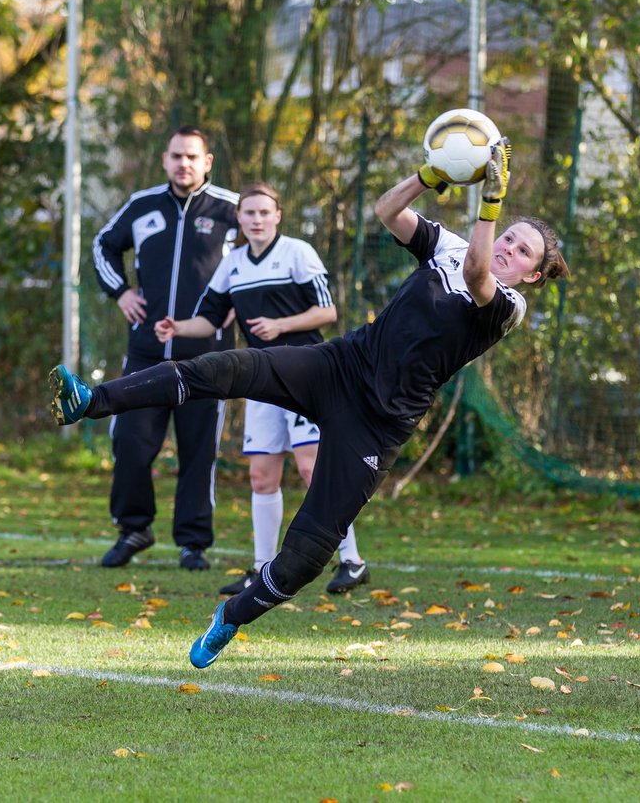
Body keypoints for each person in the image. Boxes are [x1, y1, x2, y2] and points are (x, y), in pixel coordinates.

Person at [50, 138, 569, 667]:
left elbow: (479, 274)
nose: (508, 247)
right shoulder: (451, 246)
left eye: (522, 250)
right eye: (508, 236)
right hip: (338, 366)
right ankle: (89, 400)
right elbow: (387, 211)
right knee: (225, 367)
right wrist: (430, 175)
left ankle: (231, 617)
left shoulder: (509, 305)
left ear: (531, 274)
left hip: (377, 425)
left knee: (308, 554)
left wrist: (490, 204)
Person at [152, 182, 372, 595]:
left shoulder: (298, 252)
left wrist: (281, 326)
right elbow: (211, 319)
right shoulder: (233, 262)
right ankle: (260, 570)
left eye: (263, 213)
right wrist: (178, 327)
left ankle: (352, 561)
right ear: (239, 218)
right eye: (248, 213)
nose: (256, 220)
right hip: (262, 379)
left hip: (310, 374)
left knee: (313, 469)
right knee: (261, 476)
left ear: (277, 216)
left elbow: (328, 310)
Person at [90, 126, 238, 572]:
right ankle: (134, 528)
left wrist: (240, 302)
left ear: (207, 161)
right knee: (130, 443)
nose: (184, 164)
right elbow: (103, 246)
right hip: (146, 354)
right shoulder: (142, 205)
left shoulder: (232, 210)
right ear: (164, 159)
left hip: (209, 358)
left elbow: (260, 259)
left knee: (198, 452)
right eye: (176, 156)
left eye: (192, 156)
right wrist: (120, 292)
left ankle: (193, 543)